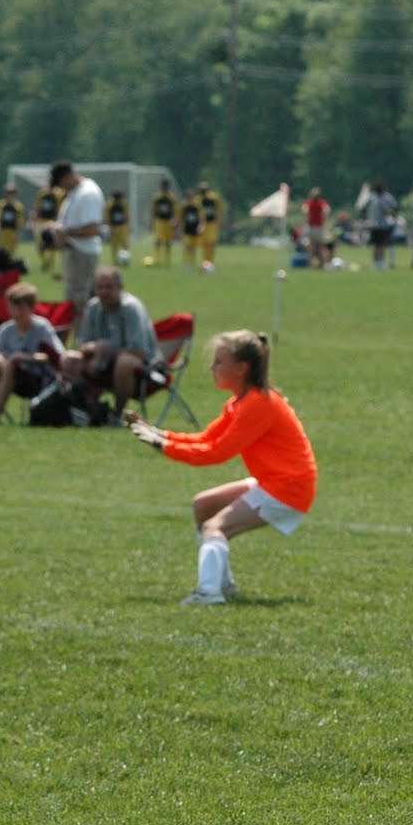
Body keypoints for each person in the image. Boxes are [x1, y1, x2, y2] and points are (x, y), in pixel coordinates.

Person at [124, 329, 316, 606]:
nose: (212, 367)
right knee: (204, 505)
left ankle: (209, 593)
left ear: (242, 368)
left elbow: (215, 453)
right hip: (275, 481)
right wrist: (160, 435)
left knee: (215, 527)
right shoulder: (240, 402)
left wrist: (161, 445)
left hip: (287, 487)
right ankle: (222, 585)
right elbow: (206, 439)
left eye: (219, 362)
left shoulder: (258, 404)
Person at [59, 267, 161, 412]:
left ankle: (118, 414)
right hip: (102, 363)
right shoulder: (93, 307)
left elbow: (139, 351)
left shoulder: (131, 308)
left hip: (144, 368)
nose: (104, 292)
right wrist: (94, 350)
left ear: (120, 287)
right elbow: (81, 344)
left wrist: (105, 354)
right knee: (69, 358)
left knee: (124, 362)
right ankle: (87, 409)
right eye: (100, 287)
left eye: (109, 287)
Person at [0, 282, 65, 426]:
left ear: (31, 307)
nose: (16, 312)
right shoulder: (7, 329)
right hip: (8, 375)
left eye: (21, 308)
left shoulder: (42, 327)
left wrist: (23, 357)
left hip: (35, 377)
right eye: (12, 307)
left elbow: (56, 355)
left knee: (11, 363)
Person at [44, 161, 104, 307]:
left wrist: (64, 231)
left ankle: (84, 330)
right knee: (72, 301)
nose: (60, 187)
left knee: (80, 302)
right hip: (75, 253)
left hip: (82, 254)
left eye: (60, 182)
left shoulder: (88, 193)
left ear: (69, 176)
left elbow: (93, 229)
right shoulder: (75, 192)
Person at [32, 181, 65, 276]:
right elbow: (37, 208)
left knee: (52, 244)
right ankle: (45, 262)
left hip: (52, 222)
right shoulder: (42, 194)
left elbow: (60, 209)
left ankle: (49, 264)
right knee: (39, 244)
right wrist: (34, 220)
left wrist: (58, 222)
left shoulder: (59, 195)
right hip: (41, 221)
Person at [364, 180, 397, 270]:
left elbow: (393, 209)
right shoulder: (373, 198)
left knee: (381, 245)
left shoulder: (387, 197)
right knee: (377, 245)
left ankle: (380, 262)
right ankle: (377, 263)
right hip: (376, 224)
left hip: (383, 224)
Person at [149, 180, 178, 268]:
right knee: (158, 240)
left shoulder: (172, 198)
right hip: (159, 221)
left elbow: (175, 210)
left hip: (168, 221)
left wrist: (175, 220)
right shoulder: (157, 197)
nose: (165, 188)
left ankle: (167, 261)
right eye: (163, 186)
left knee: (168, 242)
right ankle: (158, 260)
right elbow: (153, 210)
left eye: (166, 186)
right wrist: (151, 221)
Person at [0, 184, 24, 257]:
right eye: (8, 192)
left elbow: (20, 221)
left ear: (15, 193)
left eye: (12, 192)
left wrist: (18, 233)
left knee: (11, 252)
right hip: (3, 231)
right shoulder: (1, 204)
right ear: (5, 193)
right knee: (1, 250)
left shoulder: (18, 206)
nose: (10, 194)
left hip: (13, 232)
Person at [196, 182, 224, 269]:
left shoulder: (214, 198)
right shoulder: (198, 199)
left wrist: (219, 222)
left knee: (211, 243)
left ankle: (211, 262)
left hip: (212, 224)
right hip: (203, 224)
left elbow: (219, 211)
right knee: (204, 244)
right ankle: (205, 262)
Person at [303, 187, 331, 268]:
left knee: (311, 248)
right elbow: (327, 211)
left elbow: (305, 211)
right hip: (319, 227)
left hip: (311, 227)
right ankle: (325, 264)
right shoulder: (322, 203)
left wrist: (306, 220)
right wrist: (324, 220)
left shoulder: (308, 203)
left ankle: (311, 264)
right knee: (322, 247)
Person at [179, 192, 205, 267]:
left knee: (193, 248)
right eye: (188, 198)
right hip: (186, 230)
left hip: (195, 230)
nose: (189, 200)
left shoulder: (197, 207)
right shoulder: (184, 207)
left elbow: (201, 218)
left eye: (190, 198)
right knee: (187, 247)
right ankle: (186, 263)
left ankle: (193, 263)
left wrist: (201, 227)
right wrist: (180, 229)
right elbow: (181, 219)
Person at [105, 188, 130, 265]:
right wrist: (110, 227)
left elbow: (127, 216)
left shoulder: (124, 204)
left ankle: (126, 260)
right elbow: (107, 217)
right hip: (114, 227)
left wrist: (128, 226)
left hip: (123, 226)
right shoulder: (109, 205)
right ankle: (115, 261)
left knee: (124, 244)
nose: (118, 199)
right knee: (114, 245)